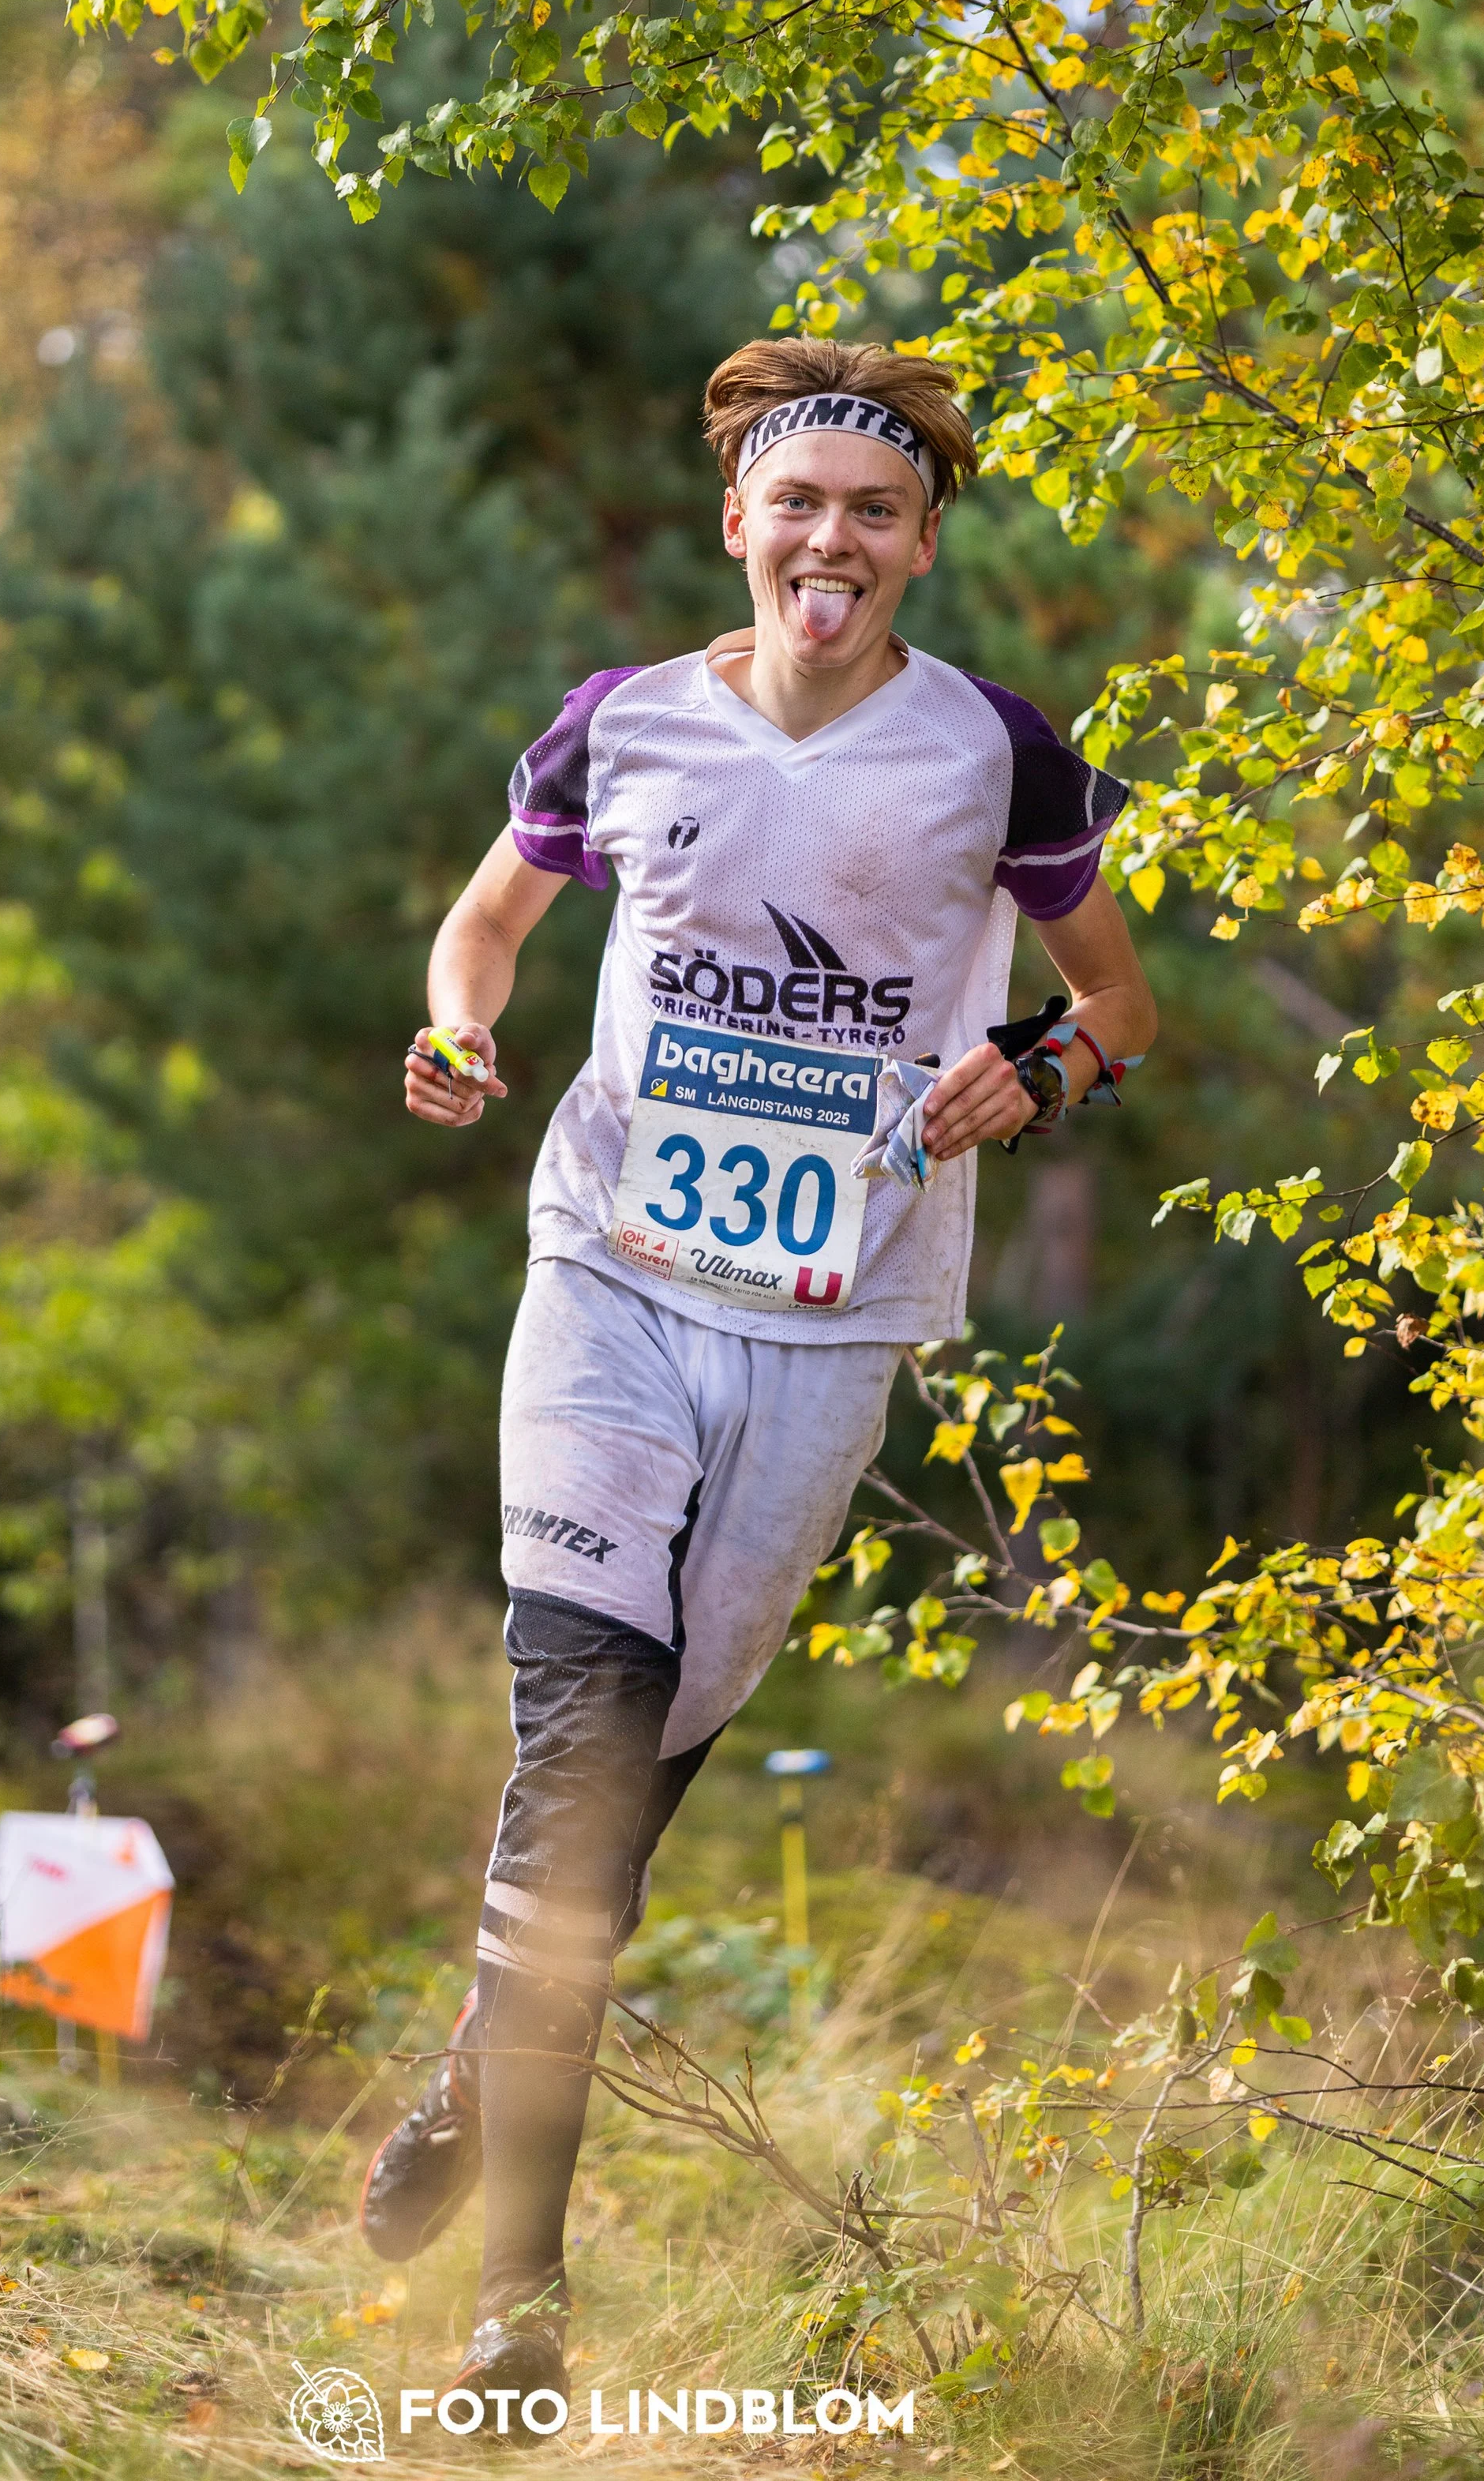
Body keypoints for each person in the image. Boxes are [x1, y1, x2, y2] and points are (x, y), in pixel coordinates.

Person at [361, 335, 1157, 2415]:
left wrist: (1039, 1068)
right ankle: (518, 2316)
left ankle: (478, 2059)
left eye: (871, 512)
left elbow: (1118, 999)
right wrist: (458, 1028)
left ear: (916, 544)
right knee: (582, 1740)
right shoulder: (621, 727)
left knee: (634, 1783)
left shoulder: (1001, 757)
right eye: (794, 503)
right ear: (738, 520)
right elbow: (481, 927)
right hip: (605, 1274)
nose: (829, 541)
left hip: (834, 1319)